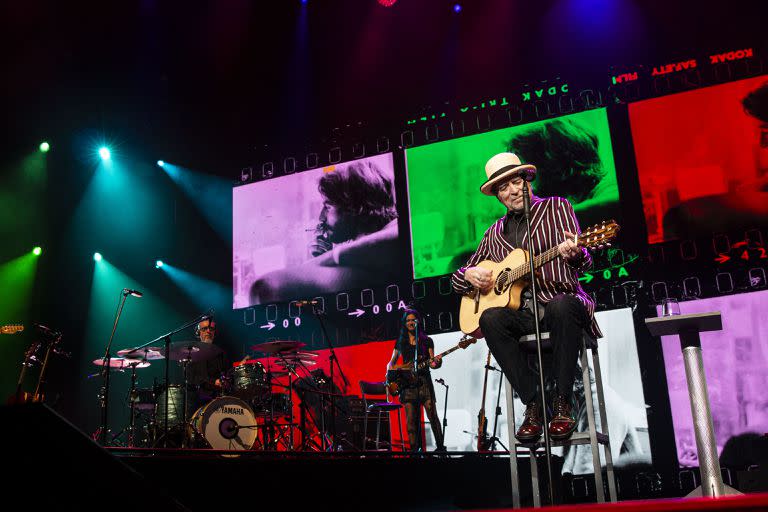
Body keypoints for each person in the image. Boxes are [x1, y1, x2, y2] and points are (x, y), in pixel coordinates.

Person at [451, 152, 602, 443]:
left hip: (561, 302)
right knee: (490, 317)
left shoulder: (557, 207)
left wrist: (577, 252)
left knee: (560, 305)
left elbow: (585, 261)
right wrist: (468, 274)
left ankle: (561, 403)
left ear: (527, 181)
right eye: (503, 187)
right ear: (498, 196)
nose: (511, 190)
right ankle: (532, 403)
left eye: (515, 181)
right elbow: (460, 278)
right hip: (523, 315)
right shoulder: (493, 234)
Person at [250, 160, 401, 304]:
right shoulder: (369, 253)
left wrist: (316, 265)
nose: (321, 217)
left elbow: (266, 287)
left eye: (328, 207)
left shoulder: (396, 228)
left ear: (354, 207)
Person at [386, 309, 446, 452]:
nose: (411, 322)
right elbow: (391, 364)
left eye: (413, 320)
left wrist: (437, 363)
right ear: (404, 323)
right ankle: (414, 453)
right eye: (408, 320)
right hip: (407, 385)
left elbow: (432, 362)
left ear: (418, 321)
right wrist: (401, 370)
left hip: (424, 383)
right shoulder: (401, 342)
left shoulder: (427, 341)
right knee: (411, 422)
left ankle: (441, 449)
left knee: (433, 418)